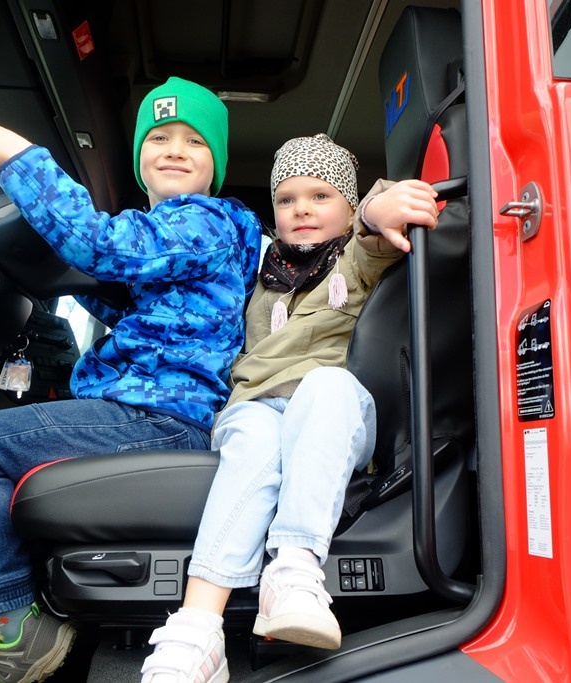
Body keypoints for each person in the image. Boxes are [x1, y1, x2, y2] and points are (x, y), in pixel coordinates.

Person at [0, 76, 263, 683]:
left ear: (216, 165)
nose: (175, 149)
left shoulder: (205, 221)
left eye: (195, 141)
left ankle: (15, 624)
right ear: (140, 158)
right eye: (159, 137)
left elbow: (97, 244)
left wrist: (18, 158)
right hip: (156, 411)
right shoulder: (179, 236)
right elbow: (133, 301)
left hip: (160, 417)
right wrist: (51, 264)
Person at [140, 133, 440, 683]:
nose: (302, 209)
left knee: (327, 385)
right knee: (253, 436)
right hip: (256, 403)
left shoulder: (354, 259)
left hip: (329, 410)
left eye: (321, 196)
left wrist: (376, 210)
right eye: (286, 199)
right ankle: (196, 630)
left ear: (348, 205)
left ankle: (295, 572)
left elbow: (375, 232)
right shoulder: (258, 274)